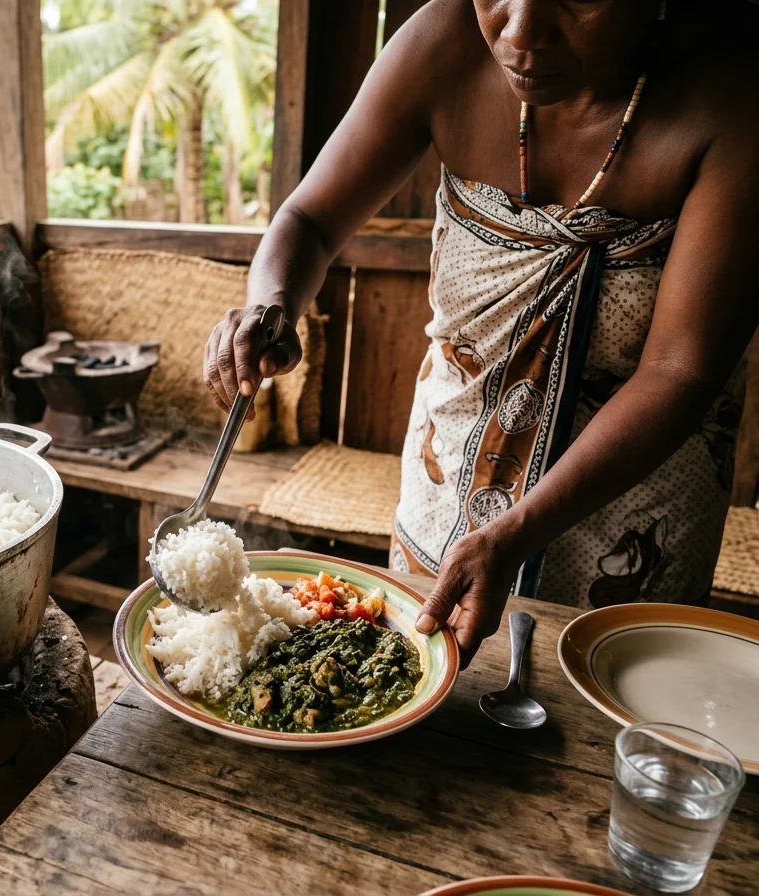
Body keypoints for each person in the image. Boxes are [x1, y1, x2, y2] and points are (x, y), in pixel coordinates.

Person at [202, 0, 759, 664]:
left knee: (602, 722)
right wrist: (270, 303)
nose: (518, 30)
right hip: (451, 482)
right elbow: (311, 220)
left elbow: (679, 372)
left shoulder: (734, 96)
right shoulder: (444, 43)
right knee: (417, 688)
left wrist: (513, 532)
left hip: (636, 515)